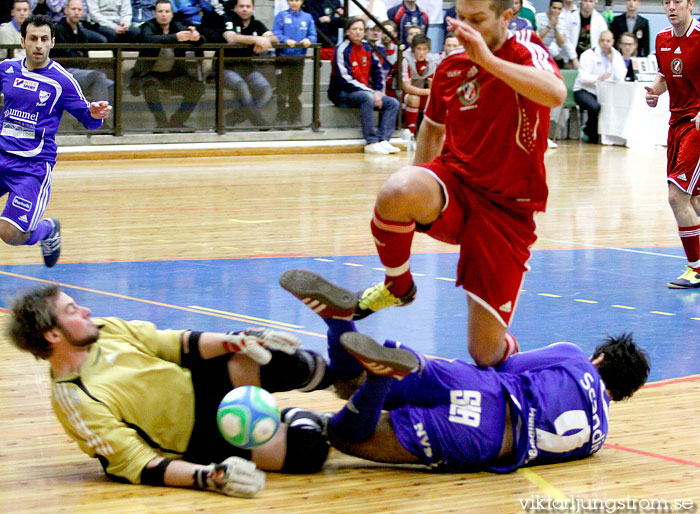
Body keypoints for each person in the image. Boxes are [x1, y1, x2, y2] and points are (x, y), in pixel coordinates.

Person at [351, 0, 566, 367]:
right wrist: (418, 194)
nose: (465, 29)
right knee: (397, 190)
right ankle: (397, 286)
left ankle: (543, 364)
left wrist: (489, 62)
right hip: (457, 187)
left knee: (484, 353)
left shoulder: (526, 46)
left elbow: (555, 94)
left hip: (507, 211)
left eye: (477, 20)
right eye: (461, 19)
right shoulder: (451, 67)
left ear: (507, 16)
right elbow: (432, 129)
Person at [278, 269, 650, 471]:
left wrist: (510, 344)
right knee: (348, 437)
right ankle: (378, 376)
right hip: (483, 438)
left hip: (480, 386)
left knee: (350, 385)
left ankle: (342, 323)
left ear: (599, 359)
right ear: (620, 394)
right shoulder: (597, 438)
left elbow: (500, 361)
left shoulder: (575, 358)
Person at [6, 284, 333, 497]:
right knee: (311, 451)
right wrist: (209, 477)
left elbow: (173, 343)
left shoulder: (103, 330)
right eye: (71, 310)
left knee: (286, 361)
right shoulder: (75, 401)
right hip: (199, 436)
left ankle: (349, 379)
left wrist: (235, 339)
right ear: (53, 336)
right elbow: (136, 463)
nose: (86, 311)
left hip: (197, 380)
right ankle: (294, 417)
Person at [0, 14, 111, 268]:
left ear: (52, 43)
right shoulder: (7, 69)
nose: (38, 44)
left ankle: (47, 229)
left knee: (9, 233)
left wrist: (94, 114)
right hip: (1, 154)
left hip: (32, 167)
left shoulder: (62, 81)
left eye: (44, 39)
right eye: (33, 39)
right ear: (22, 41)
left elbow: (88, 119)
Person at [645, 0, 700, 288]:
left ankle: (696, 268)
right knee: (693, 200)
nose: (671, 7)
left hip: (697, 125)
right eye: (666, 2)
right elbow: (666, 75)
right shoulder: (663, 38)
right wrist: (654, 91)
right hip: (676, 123)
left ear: (691, 4)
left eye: (677, 1)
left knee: (677, 195)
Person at [328, 17, 400, 155]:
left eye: (361, 29)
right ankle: (371, 142)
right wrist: (372, 93)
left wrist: (379, 91)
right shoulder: (342, 49)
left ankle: (384, 139)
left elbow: (378, 72)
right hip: (341, 92)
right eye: (354, 29)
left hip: (366, 91)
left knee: (393, 103)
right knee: (367, 98)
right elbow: (345, 79)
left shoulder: (367, 47)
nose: (358, 32)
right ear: (347, 31)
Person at [131, 0, 205, 129]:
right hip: (150, 73)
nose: (164, 14)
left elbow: (201, 41)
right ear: (155, 13)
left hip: (174, 74)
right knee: (149, 88)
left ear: (172, 14)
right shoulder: (148, 26)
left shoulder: (179, 26)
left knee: (197, 88)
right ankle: (162, 122)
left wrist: (196, 36)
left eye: (167, 11)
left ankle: (177, 121)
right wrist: (175, 37)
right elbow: (148, 39)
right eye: (160, 11)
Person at [206, 0, 277, 127]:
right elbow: (231, 38)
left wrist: (265, 40)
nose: (245, 9)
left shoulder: (257, 24)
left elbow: (274, 38)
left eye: (248, 6)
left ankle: (230, 119)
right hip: (226, 67)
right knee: (242, 86)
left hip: (248, 68)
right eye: (241, 6)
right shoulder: (228, 20)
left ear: (253, 8)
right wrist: (257, 39)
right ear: (235, 8)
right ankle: (258, 121)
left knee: (266, 91)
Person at [53, 0, 114, 102]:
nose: (76, 12)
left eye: (79, 10)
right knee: (98, 76)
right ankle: (96, 117)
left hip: (77, 71)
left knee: (111, 85)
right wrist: (79, 57)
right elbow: (66, 57)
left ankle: (105, 116)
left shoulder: (81, 32)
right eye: (73, 9)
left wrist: (79, 57)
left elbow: (85, 58)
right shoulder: (58, 30)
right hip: (62, 72)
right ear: (66, 10)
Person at [573, 30, 626, 144]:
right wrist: (599, 78)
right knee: (595, 107)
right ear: (598, 41)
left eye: (608, 41)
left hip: (605, 92)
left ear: (613, 42)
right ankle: (591, 133)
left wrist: (614, 61)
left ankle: (611, 136)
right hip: (584, 90)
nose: (605, 43)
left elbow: (621, 76)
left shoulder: (616, 55)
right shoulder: (588, 54)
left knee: (617, 106)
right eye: (602, 40)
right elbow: (582, 77)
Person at [272, 0, 316, 126]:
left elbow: (313, 35)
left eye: (297, 0)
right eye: (291, 0)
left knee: (295, 91)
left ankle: (295, 118)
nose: (294, 3)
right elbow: (276, 33)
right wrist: (285, 40)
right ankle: (282, 119)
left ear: (302, 1)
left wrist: (309, 39)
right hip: (282, 58)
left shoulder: (307, 17)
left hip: (299, 59)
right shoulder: (281, 15)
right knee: (282, 90)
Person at [399, 33, 438, 136]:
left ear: (428, 50)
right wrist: (429, 92)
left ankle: (428, 134)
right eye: (418, 49)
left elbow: (431, 86)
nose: (421, 52)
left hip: (419, 91)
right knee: (414, 99)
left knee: (433, 100)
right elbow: (406, 87)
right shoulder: (405, 59)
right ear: (413, 49)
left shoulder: (432, 61)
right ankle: (410, 133)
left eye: (424, 49)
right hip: (398, 92)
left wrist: (430, 92)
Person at [536, 0, 567, 67]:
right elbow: (537, 39)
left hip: (549, 51)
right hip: (537, 48)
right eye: (554, 8)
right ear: (549, 7)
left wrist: (555, 26)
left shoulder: (561, 21)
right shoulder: (539, 17)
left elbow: (561, 44)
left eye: (559, 9)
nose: (556, 11)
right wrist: (550, 24)